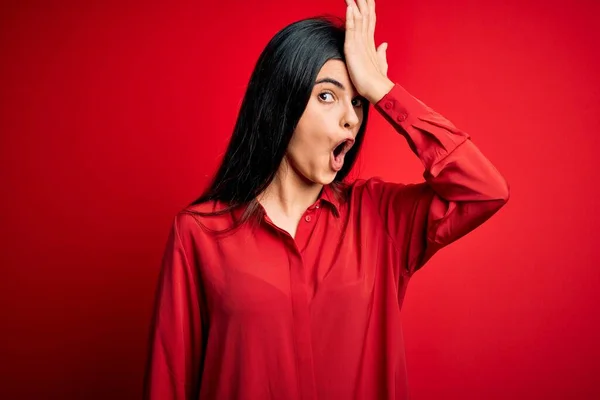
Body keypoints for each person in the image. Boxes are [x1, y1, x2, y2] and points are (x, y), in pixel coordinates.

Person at [143, 0, 510, 399]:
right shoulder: (199, 233)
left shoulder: (379, 218)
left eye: (357, 101)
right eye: (327, 96)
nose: (352, 118)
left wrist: (384, 92)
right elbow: (170, 382)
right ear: (279, 105)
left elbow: (484, 191)